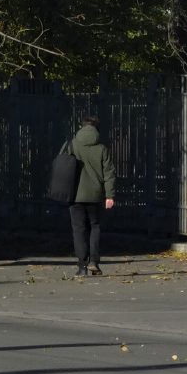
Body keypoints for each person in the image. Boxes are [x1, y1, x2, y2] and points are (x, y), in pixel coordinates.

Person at [70, 117, 116, 279]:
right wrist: (109, 195)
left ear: (81, 128)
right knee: (95, 227)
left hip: (74, 194)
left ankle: (81, 266)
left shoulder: (72, 145)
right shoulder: (102, 149)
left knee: (79, 229)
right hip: (95, 195)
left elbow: (61, 166)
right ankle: (94, 262)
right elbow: (109, 174)